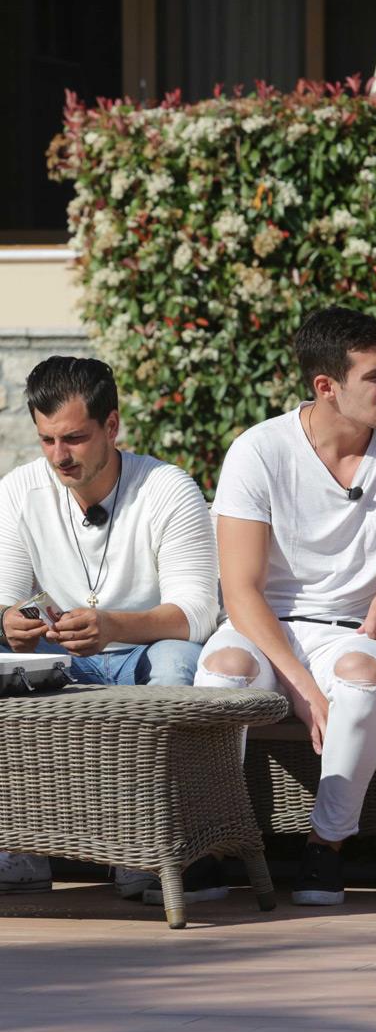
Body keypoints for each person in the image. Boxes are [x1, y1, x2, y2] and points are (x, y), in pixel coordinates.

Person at [194, 305, 376, 905]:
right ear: (327, 386)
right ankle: (211, 846)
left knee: (363, 674)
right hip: (262, 628)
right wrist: (302, 691)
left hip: (351, 631)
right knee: (222, 672)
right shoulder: (258, 450)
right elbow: (240, 592)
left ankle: (326, 847)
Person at [0, 356, 220, 900]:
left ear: (112, 425)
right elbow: (6, 602)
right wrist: (12, 624)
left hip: (145, 651)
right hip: (62, 655)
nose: (59, 455)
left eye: (74, 438)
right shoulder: (19, 490)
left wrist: (114, 624)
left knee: (178, 661)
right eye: (47, 439)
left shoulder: (167, 487)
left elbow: (197, 613)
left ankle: (159, 847)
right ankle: (20, 848)